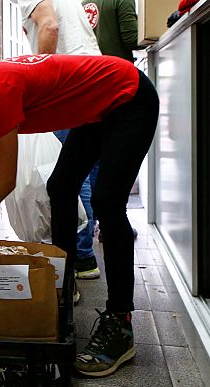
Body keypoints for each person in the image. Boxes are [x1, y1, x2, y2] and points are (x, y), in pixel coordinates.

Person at [0, 40, 158, 377]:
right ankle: (61, 284)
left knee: (108, 204)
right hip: (97, 108)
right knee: (61, 187)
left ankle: (120, 324)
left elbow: (3, 181)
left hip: (128, 96)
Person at [17, 0, 102, 280]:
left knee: (68, 180)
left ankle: (75, 259)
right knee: (84, 175)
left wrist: (40, 84)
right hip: (92, 79)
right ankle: (84, 258)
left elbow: (50, 27)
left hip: (70, 83)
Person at [81, 0, 141, 244]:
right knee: (117, 159)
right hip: (119, 84)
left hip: (88, 85)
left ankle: (92, 225)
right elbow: (132, 39)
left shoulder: (82, 3)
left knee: (92, 161)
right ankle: (111, 223)